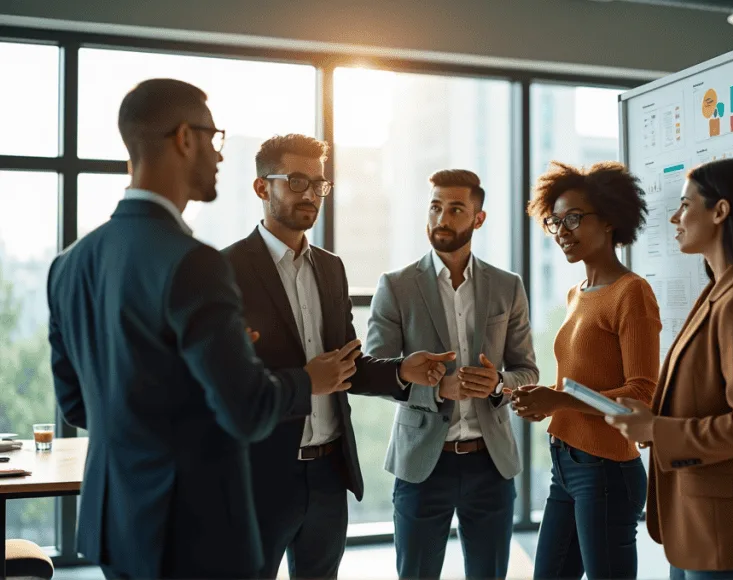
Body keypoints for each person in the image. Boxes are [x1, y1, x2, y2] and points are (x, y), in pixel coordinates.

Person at [45, 79, 381, 579]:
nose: (220, 156)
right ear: (185, 138)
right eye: (214, 138)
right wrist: (303, 380)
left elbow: (77, 404)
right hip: (191, 527)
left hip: (114, 520)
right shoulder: (196, 264)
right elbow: (245, 409)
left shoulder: (69, 263)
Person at [222, 135, 456, 580]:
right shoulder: (226, 269)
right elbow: (229, 382)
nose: (310, 194)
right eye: (295, 181)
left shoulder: (331, 268)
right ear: (260, 188)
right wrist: (305, 379)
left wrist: (403, 370)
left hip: (329, 474)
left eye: (318, 184)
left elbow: (347, 366)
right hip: (259, 477)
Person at [607, 158, 733, 580]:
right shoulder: (717, 292)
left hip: (724, 533)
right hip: (698, 524)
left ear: (720, 211)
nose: (675, 216)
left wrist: (656, 431)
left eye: (686, 204)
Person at [365, 169, 539, 580]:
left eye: (455, 209)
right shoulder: (396, 286)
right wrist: (437, 387)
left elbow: (526, 369)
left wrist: (498, 384)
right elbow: (376, 372)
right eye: (435, 207)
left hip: (490, 465)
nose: (441, 218)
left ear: (478, 218)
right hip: (423, 463)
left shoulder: (507, 286)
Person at [513, 161, 661, 580]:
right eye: (555, 221)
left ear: (611, 220)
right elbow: (582, 382)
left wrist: (558, 399)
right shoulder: (576, 294)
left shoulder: (631, 292)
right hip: (565, 464)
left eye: (574, 218)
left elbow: (641, 395)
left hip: (606, 470)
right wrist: (541, 397)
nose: (562, 230)